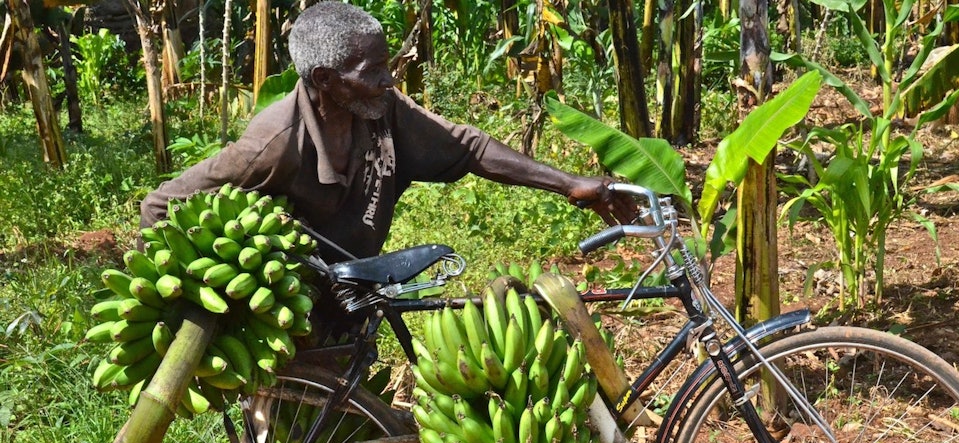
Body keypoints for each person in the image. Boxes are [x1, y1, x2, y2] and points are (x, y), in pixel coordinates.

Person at [140, 1, 635, 262]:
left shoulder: (381, 109)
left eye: (386, 65)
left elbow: (469, 147)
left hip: (355, 290)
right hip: (293, 307)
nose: (388, 79)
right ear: (325, 80)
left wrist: (570, 184)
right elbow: (160, 206)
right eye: (372, 70)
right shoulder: (274, 146)